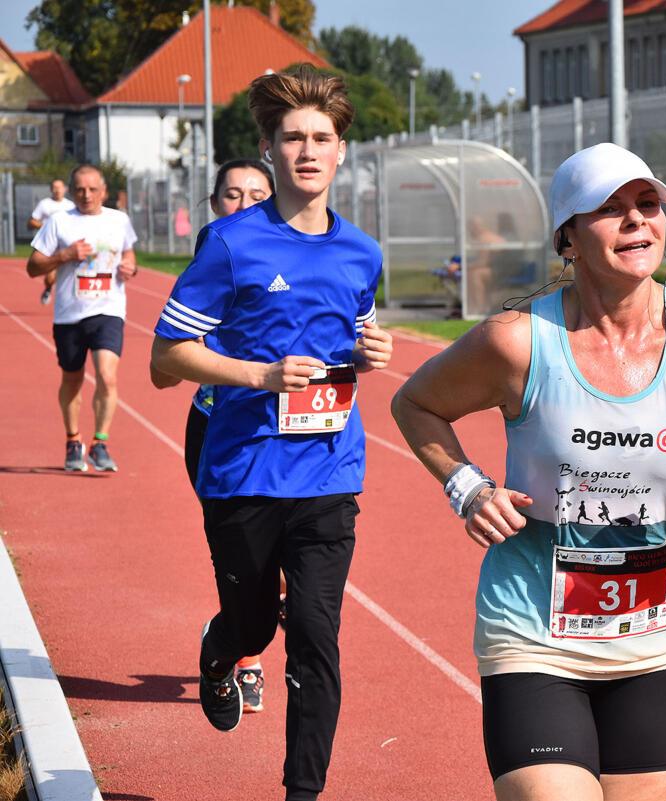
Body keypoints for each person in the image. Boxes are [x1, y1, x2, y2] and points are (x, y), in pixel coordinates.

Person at [391, 142, 666, 801]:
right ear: (567, 238)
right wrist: (468, 488)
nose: (636, 220)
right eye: (610, 207)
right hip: (532, 632)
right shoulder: (517, 340)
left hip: (656, 640)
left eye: (648, 203)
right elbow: (415, 403)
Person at [149, 65, 393, 801]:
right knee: (253, 625)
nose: (308, 151)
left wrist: (369, 352)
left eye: (321, 137)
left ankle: (302, 792)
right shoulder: (230, 245)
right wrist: (259, 375)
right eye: (293, 138)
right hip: (245, 471)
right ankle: (220, 650)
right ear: (269, 149)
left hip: (329, 471)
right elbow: (166, 359)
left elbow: (350, 336)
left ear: (341, 151)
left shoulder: (362, 252)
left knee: (315, 634)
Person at [150, 158, 279, 715]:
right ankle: (244, 654)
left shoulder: (305, 257)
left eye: (258, 194)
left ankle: (250, 629)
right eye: (232, 194)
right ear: (213, 205)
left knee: (294, 559)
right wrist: (202, 356)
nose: (245, 204)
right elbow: (161, 371)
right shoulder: (209, 266)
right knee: (245, 557)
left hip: (291, 434)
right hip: (219, 431)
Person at [27, 164, 137, 472]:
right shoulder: (59, 222)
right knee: (72, 379)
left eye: (92, 189)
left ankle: (100, 443)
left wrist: (130, 266)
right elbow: (33, 267)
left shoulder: (119, 220)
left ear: (104, 191)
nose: (86, 195)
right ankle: (73, 440)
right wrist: (64, 255)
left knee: (107, 376)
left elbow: (128, 253)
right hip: (69, 314)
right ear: (72, 192)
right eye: (80, 190)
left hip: (108, 310)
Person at [28, 178, 76, 304]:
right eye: (54, 187)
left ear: (65, 189)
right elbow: (32, 221)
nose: (57, 190)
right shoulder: (45, 204)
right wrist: (47, 226)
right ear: (51, 190)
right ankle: (49, 288)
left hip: (66, 244)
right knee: (50, 277)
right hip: (51, 245)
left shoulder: (70, 206)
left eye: (59, 187)